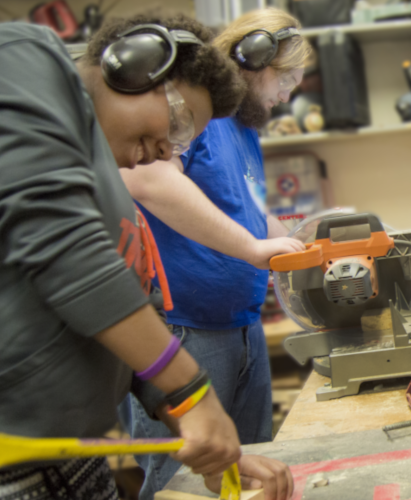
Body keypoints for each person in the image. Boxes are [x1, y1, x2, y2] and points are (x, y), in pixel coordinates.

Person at [0, 14, 292, 500]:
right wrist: (192, 391)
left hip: (75, 461)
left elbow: (135, 299)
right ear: (134, 65)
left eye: (181, 142)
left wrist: (205, 439)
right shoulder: (23, 55)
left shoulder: (103, 176)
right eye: (176, 124)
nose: (163, 152)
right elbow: (62, 246)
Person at [119, 7, 310, 500]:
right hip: (187, 331)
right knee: (181, 486)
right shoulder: (193, 110)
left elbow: (241, 209)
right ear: (253, 59)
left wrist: (298, 241)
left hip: (241, 326)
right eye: (286, 78)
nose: (288, 95)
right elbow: (148, 179)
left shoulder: (242, 128)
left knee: (247, 476)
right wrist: (252, 248)